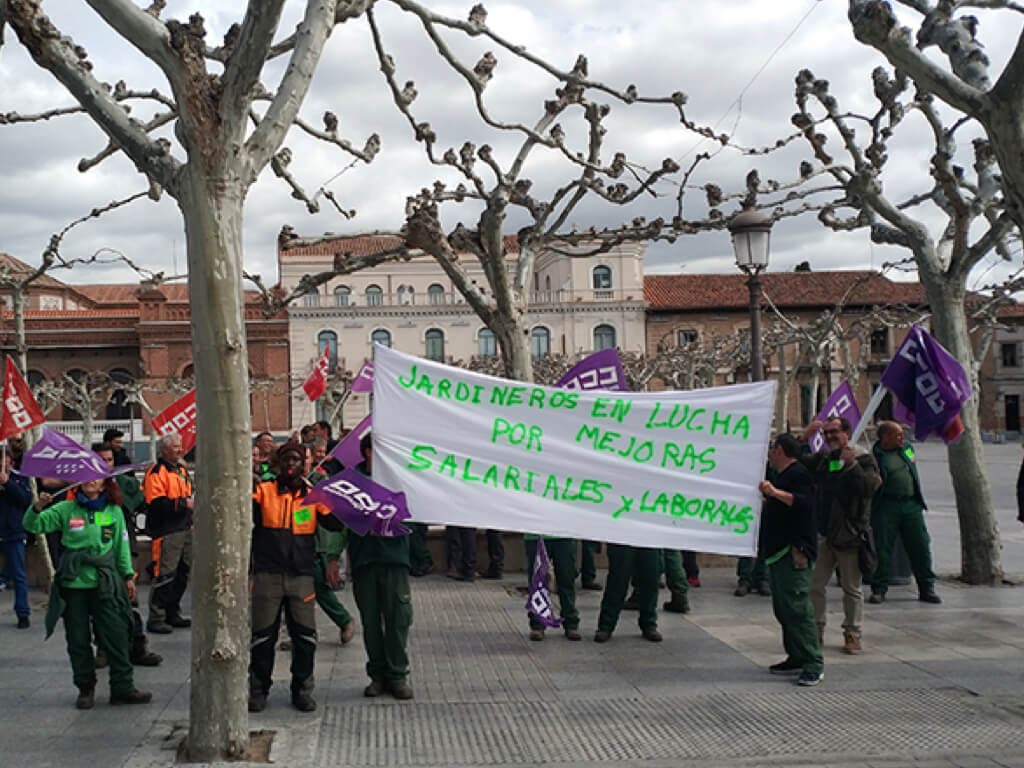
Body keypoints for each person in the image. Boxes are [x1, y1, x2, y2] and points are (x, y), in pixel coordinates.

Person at [23, 476, 152, 708]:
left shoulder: (114, 511)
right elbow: (33, 525)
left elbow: (121, 546)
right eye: (85, 479)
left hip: (105, 581)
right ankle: (85, 687)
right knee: (77, 638)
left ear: (104, 484)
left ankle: (123, 687)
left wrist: (127, 575)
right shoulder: (65, 509)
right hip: (74, 584)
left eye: (96, 479)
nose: (90, 482)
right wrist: (37, 507)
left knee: (117, 634)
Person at [248, 442, 346, 713]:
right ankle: (258, 690)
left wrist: (327, 496)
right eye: (287, 459)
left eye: (297, 460)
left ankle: (302, 689)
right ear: (279, 463)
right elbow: (243, 510)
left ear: (304, 464)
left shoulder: (313, 495)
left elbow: (335, 523)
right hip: (268, 576)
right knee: (262, 638)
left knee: (305, 638)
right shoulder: (263, 491)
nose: (292, 464)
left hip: (301, 576)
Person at [803, 416, 881, 655]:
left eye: (834, 432)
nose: (829, 437)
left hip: (850, 535)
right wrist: (804, 438)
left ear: (847, 433)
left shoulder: (863, 458)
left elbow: (869, 488)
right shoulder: (827, 458)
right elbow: (801, 463)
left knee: (851, 587)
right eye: (825, 433)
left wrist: (852, 466)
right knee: (815, 585)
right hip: (825, 533)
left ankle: (852, 633)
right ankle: (816, 631)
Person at [349, 434, 414, 700]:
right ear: (366, 452)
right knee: (371, 622)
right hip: (365, 560)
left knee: (398, 619)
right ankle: (376, 675)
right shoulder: (352, 483)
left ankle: (398, 674)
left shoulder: (401, 479)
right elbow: (339, 523)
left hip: (395, 560)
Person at [759, 433, 824, 687]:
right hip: (777, 551)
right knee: (783, 608)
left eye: (773, 448)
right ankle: (796, 655)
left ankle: (813, 662)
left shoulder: (799, 474)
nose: (770, 453)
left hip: (794, 551)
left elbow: (805, 503)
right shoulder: (783, 475)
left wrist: (774, 492)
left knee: (797, 608)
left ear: (782, 451)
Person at [91, 443, 162, 667]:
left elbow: (140, 503)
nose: (106, 464)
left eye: (110, 460)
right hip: (96, 554)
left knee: (130, 601)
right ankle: (103, 648)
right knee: (101, 603)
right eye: (101, 459)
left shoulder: (122, 482)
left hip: (123, 547)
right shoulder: (85, 487)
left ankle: (137, 647)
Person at [868, 422, 941, 604]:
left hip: (911, 504)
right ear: (885, 437)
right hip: (887, 505)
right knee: (883, 548)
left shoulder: (907, 449)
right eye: (897, 435)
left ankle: (926, 587)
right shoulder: (875, 456)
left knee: (920, 546)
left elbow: (912, 463)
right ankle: (879, 588)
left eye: (902, 434)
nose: (902, 438)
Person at [143, 433, 194, 634]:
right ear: (164, 450)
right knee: (165, 574)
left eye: (180, 445)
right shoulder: (156, 472)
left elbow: (189, 493)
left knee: (182, 573)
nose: (179, 449)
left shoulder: (181, 470)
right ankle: (156, 617)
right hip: (166, 530)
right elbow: (155, 503)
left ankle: (173, 612)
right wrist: (183, 504)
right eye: (175, 446)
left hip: (184, 527)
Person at [308, 441, 357, 646]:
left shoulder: (319, 479)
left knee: (319, 587)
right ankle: (302, 633)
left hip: (314, 543)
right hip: (285, 548)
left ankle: (344, 620)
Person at [594, 545, 662, 643]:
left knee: (650, 580)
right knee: (617, 580)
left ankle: (649, 624)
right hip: (623, 538)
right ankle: (606, 626)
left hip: (650, 538)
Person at [524, 534, 581, 641]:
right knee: (537, 581)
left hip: (564, 533)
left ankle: (570, 622)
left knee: (566, 579)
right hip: (536, 535)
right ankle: (537, 623)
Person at [0, 446, 32, 628]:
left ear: (10, 461)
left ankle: (23, 613)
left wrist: (7, 484)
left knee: (19, 575)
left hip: (14, 532)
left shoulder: (19, 478)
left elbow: (25, 500)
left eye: (4, 459)